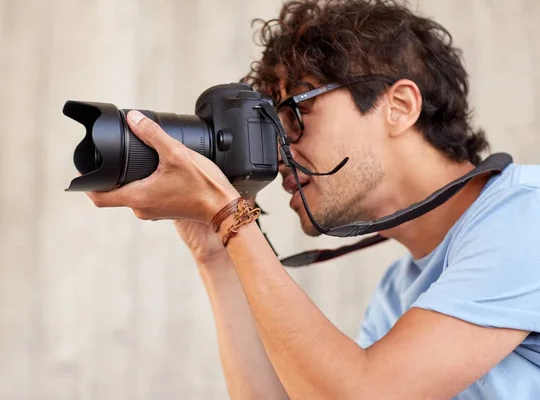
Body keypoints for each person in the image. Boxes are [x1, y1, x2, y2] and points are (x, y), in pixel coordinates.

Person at [85, 0, 540, 398]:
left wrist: (231, 215)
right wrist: (214, 252)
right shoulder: (401, 291)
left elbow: (364, 393)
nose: (279, 153)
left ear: (399, 106)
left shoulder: (526, 216)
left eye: (297, 112)